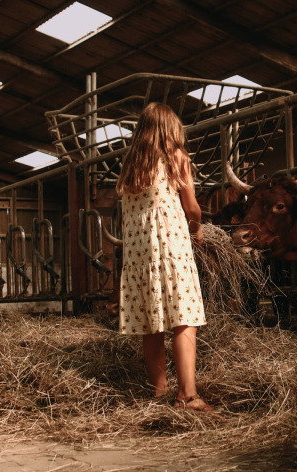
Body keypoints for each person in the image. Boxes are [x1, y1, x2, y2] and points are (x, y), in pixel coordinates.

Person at [115, 102, 212, 412]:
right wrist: (197, 230)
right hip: (171, 247)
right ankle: (188, 395)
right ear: (171, 130)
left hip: (139, 254)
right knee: (184, 317)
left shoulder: (131, 166)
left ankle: (159, 391)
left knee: (151, 320)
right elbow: (192, 207)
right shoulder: (176, 159)